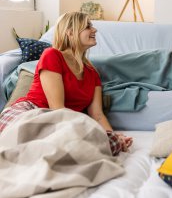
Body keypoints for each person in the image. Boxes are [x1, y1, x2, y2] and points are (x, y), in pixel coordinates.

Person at [0, 12, 132, 156]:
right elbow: (58, 109)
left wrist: (111, 136)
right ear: (70, 32)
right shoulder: (52, 55)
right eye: (88, 27)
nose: (94, 30)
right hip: (30, 113)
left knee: (105, 143)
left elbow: (98, 115)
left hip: (61, 124)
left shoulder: (92, 73)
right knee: (35, 139)